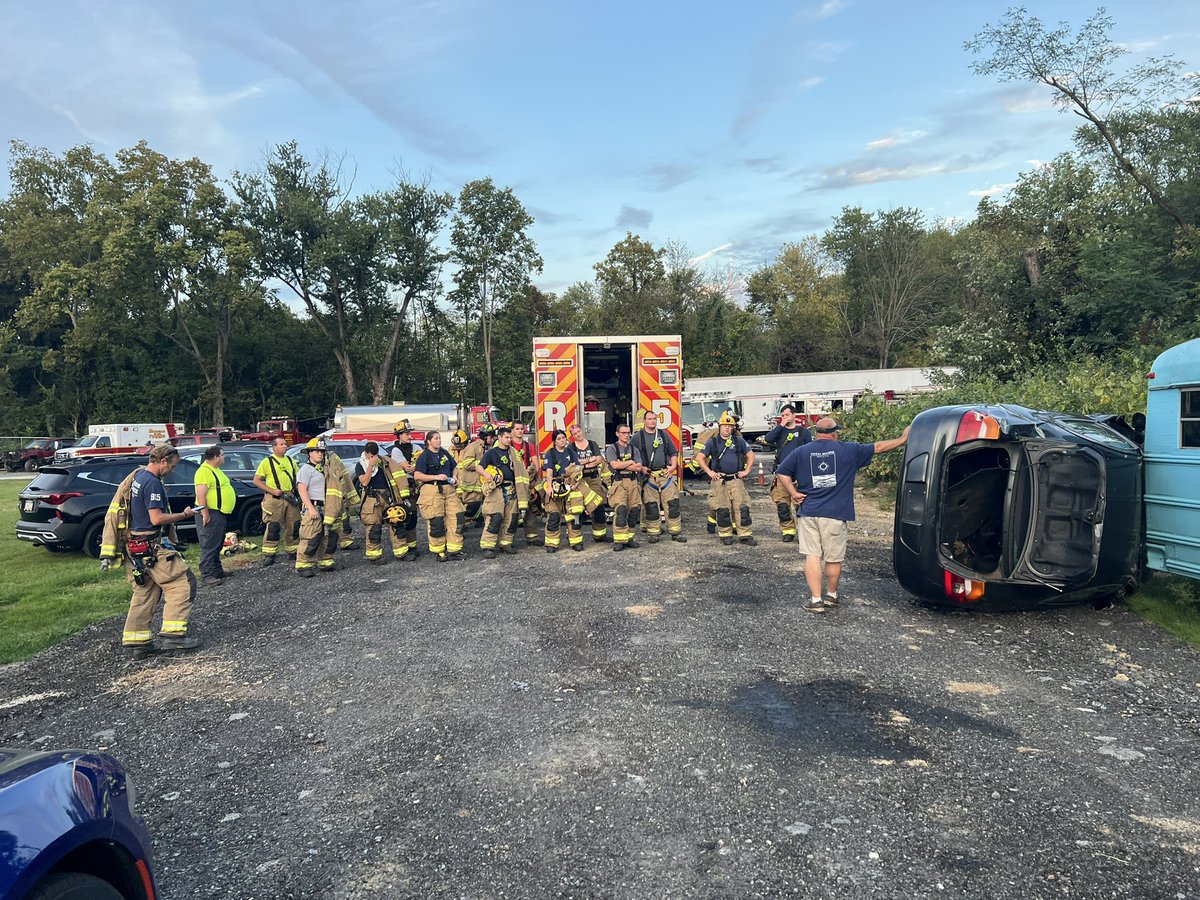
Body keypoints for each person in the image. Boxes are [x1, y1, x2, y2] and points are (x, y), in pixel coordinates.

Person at [776, 417, 910, 614]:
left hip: (809, 511)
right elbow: (879, 447)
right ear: (834, 433)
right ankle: (831, 596)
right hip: (835, 514)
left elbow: (782, 472)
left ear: (816, 432)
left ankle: (815, 600)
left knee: (812, 556)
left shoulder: (801, 451)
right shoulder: (849, 449)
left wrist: (794, 493)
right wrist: (902, 439)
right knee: (833, 559)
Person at [119, 444, 199, 659]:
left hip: (135, 547)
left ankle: (138, 643)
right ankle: (174, 635)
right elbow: (156, 518)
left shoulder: (137, 477)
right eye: (172, 466)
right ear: (163, 461)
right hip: (152, 545)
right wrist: (184, 515)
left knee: (145, 592)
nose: (172, 470)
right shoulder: (152, 483)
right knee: (183, 583)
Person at [695, 411, 757, 546]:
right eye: (724, 426)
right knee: (722, 508)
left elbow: (751, 455)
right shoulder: (712, 442)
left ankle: (745, 535)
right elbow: (700, 457)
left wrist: (746, 471)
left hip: (736, 480)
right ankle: (725, 535)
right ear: (720, 427)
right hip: (720, 481)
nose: (727, 428)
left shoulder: (739, 441)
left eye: (730, 426)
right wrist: (710, 472)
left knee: (742, 507)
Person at [476, 425, 530, 558]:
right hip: (497, 491)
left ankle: (506, 544)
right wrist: (486, 475)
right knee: (494, 518)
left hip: (512, 490)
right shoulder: (491, 453)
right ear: (499, 438)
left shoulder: (514, 453)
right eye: (506, 437)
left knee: (512, 519)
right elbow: (479, 467)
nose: (509, 440)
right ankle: (488, 547)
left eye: (510, 437)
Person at [355, 441, 412, 564]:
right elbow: (364, 482)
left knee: (397, 524)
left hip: (389, 497)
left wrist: (403, 496)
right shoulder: (361, 465)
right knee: (374, 528)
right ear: (366, 453)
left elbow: (398, 476)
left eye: (376, 455)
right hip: (372, 500)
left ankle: (402, 553)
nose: (374, 457)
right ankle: (375, 557)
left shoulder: (386, 462)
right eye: (371, 455)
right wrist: (370, 466)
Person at [633, 410, 685, 543]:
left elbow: (673, 452)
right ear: (644, 421)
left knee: (672, 503)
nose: (652, 421)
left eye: (654, 419)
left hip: (664, 474)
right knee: (651, 506)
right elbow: (632, 455)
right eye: (649, 419)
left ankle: (675, 532)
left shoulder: (663, 434)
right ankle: (654, 533)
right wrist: (641, 468)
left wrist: (673, 466)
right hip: (649, 477)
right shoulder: (638, 437)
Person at [762, 405, 812, 543]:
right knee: (782, 505)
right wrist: (781, 425)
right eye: (782, 415)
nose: (784, 417)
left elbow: (811, 451)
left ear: (794, 415)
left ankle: (804, 532)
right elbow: (768, 439)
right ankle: (788, 531)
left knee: (800, 504)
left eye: (787, 415)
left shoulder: (803, 432)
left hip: (799, 474)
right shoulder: (780, 431)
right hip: (782, 473)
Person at [414, 430, 466, 560]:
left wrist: (455, 477)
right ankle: (439, 551)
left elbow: (454, 466)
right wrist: (436, 476)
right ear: (429, 441)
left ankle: (454, 550)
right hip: (432, 490)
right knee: (436, 522)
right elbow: (417, 475)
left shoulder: (444, 453)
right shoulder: (424, 456)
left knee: (457, 518)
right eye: (436, 438)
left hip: (449, 489)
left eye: (439, 438)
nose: (439, 440)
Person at [253, 436, 302, 566]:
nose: (285, 446)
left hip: (290, 498)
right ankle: (269, 554)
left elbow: (297, 479)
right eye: (281, 444)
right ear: (274, 447)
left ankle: (293, 550)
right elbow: (257, 480)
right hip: (274, 499)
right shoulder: (267, 462)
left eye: (285, 444)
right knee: (273, 527)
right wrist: (272, 490)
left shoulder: (291, 460)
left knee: (294, 525)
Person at [193, 445, 235, 586]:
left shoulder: (215, 469)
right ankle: (207, 574)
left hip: (219, 513)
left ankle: (216, 570)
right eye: (222, 455)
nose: (224, 457)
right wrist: (205, 513)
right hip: (211, 512)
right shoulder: (203, 472)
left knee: (217, 542)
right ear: (216, 457)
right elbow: (201, 495)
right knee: (209, 544)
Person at [296, 439, 337, 577]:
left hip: (326, 507)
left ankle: (325, 562)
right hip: (313, 507)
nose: (320, 454)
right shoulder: (306, 469)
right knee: (310, 538)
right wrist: (310, 508)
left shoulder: (324, 468)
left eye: (322, 452)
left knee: (327, 537)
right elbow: (302, 490)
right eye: (317, 451)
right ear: (309, 453)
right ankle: (303, 566)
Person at [604, 423, 643, 551]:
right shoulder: (612, 449)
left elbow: (638, 467)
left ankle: (629, 538)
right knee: (620, 510)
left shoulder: (634, 449)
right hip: (619, 483)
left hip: (633, 483)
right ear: (617, 434)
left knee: (633, 511)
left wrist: (623, 464)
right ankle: (619, 540)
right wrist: (630, 462)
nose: (626, 435)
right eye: (623, 433)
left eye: (628, 433)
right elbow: (614, 465)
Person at [541, 429, 580, 553]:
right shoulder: (550, 454)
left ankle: (576, 542)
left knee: (573, 515)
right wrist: (549, 487)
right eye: (559, 439)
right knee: (554, 515)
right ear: (554, 441)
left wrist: (576, 484)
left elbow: (578, 471)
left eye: (563, 438)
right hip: (555, 487)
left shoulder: (572, 453)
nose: (562, 440)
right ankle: (551, 543)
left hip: (570, 486)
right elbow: (549, 472)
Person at [569, 423, 609, 542]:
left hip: (594, 479)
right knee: (578, 509)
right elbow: (574, 464)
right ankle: (575, 538)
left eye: (579, 432)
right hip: (579, 481)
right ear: (572, 436)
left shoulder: (592, 444)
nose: (578, 434)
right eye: (575, 434)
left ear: (582, 431)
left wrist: (584, 464)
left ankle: (600, 535)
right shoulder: (571, 447)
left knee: (598, 507)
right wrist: (590, 460)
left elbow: (599, 459)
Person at [385, 422, 420, 557]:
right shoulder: (396, 450)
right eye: (406, 434)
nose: (409, 436)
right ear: (399, 436)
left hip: (415, 487)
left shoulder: (416, 447)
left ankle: (412, 546)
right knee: (403, 516)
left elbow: (421, 463)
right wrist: (416, 466)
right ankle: (402, 548)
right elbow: (407, 468)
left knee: (413, 516)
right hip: (402, 489)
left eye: (409, 433)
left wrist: (415, 467)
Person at [319, 439, 357, 552]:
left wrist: (346, 494)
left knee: (344, 518)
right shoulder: (314, 463)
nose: (320, 453)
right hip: (324, 497)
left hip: (338, 494)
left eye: (322, 450)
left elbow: (343, 475)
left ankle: (346, 541)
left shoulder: (333, 458)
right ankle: (327, 545)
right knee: (328, 520)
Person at [457, 424, 495, 528]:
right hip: (472, 484)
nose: (492, 439)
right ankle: (457, 528)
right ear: (485, 437)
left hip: (481, 484)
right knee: (471, 509)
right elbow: (467, 464)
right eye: (491, 437)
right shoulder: (473, 447)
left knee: (481, 507)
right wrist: (483, 463)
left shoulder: (488, 448)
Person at [511, 421, 542, 546]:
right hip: (513, 484)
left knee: (531, 511)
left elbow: (536, 465)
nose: (520, 431)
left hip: (528, 483)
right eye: (517, 429)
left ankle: (532, 537)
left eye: (521, 429)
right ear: (512, 431)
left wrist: (532, 477)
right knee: (512, 513)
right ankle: (508, 541)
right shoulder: (508, 446)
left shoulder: (529, 446)